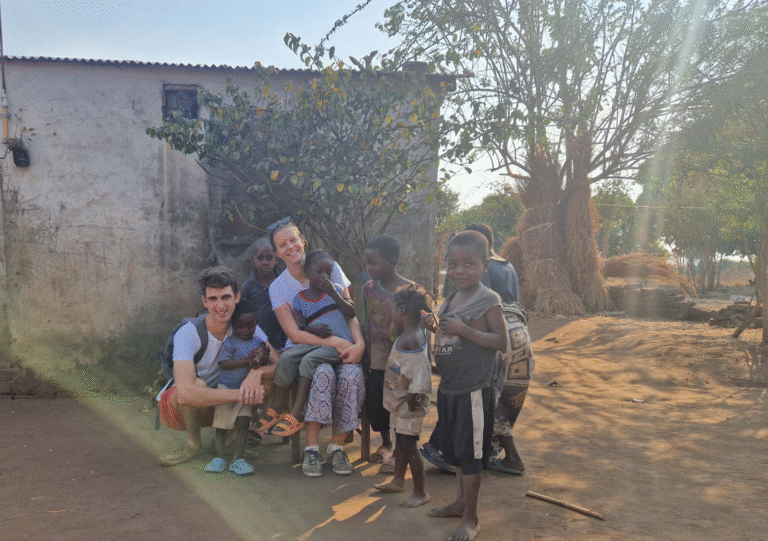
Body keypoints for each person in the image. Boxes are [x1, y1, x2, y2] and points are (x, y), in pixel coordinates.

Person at [420, 230, 508, 541]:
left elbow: (500, 340)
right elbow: (448, 332)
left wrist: (465, 329)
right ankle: (460, 503)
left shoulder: (488, 299)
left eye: (469, 264)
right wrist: (435, 324)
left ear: (485, 264)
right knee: (455, 453)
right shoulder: (452, 299)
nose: (459, 271)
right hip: (449, 388)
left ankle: (471, 518)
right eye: (452, 264)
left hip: (473, 389)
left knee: (470, 456)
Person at [266, 218, 365, 477]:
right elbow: (293, 333)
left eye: (293, 240)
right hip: (306, 350)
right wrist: (334, 341)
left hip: (344, 346)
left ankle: (336, 447)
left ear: (303, 242)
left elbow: (349, 313)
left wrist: (360, 344)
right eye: (282, 244)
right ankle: (311, 448)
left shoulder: (329, 268)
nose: (290, 247)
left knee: (352, 376)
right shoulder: (279, 287)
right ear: (277, 253)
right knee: (322, 373)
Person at [158, 267, 266, 467]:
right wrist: (241, 395)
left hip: (219, 404)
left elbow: (277, 362)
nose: (221, 305)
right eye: (213, 299)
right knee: (196, 384)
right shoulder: (189, 333)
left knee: (261, 378)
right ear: (204, 301)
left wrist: (256, 373)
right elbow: (185, 395)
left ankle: (228, 441)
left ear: (237, 297)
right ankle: (192, 443)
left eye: (226, 297)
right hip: (180, 410)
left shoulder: (245, 325)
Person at [257, 250, 358, 437]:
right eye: (319, 272)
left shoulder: (336, 289)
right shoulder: (299, 298)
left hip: (339, 347)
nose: (324, 277)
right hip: (317, 343)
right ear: (308, 273)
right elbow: (300, 325)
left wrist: (334, 293)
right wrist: (312, 329)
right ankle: (277, 406)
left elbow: (351, 312)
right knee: (286, 357)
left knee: (308, 361)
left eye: (328, 273)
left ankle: (296, 414)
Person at [464, 223, 533, 475]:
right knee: (504, 398)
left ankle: (503, 455)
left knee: (486, 397)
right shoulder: (507, 265)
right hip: (520, 334)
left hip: (498, 332)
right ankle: (502, 455)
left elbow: (482, 304)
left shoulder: (484, 267)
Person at [374, 284, 433, 508]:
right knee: (401, 442)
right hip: (400, 402)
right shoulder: (406, 336)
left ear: (400, 310)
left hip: (410, 404)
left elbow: (421, 370)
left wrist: (412, 396)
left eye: (391, 308)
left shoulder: (413, 339)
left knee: (409, 446)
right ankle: (398, 480)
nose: (389, 312)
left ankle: (420, 491)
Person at [205, 298, 279, 475]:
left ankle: (238, 459)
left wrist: (262, 356)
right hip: (227, 389)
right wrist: (246, 361)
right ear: (233, 324)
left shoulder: (258, 342)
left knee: (244, 424)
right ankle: (220, 457)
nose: (245, 330)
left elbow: (268, 362)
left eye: (250, 326)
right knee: (222, 426)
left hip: (246, 393)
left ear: (256, 323)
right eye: (240, 326)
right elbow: (224, 363)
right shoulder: (230, 342)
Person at [361, 235, 412, 473]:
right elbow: (364, 323)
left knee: (399, 402)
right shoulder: (368, 289)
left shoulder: (410, 291)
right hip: (377, 354)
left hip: (402, 356)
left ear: (391, 262)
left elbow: (417, 329)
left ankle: (400, 450)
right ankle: (386, 442)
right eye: (367, 263)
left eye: (374, 263)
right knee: (377, 403)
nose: (369, 268)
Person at [239, 238, 287, 350]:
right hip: (259, 343)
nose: (264, 262)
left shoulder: (285, 282)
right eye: (260, 258)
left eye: (269, 258)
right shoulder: (248, 286)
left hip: (285, 341)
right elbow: (242, 316)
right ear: (252, 260)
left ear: (277, 259)